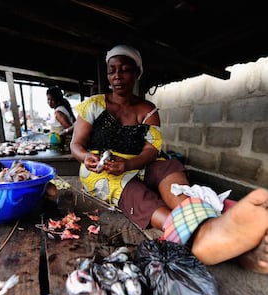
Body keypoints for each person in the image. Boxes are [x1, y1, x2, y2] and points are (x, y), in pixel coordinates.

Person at [70, 44, 268, 274]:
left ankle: (210, 225)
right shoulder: (93, 105)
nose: (117, 76)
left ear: (136, 73)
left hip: (138, 163)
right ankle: (204, 236)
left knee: (168, 165)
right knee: (134, 192)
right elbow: (76, 145)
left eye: (124, 69)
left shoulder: (148, 109)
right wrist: (87, 158)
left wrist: (130, 164)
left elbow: (151, 150)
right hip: (100, 172)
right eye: (112, 70)